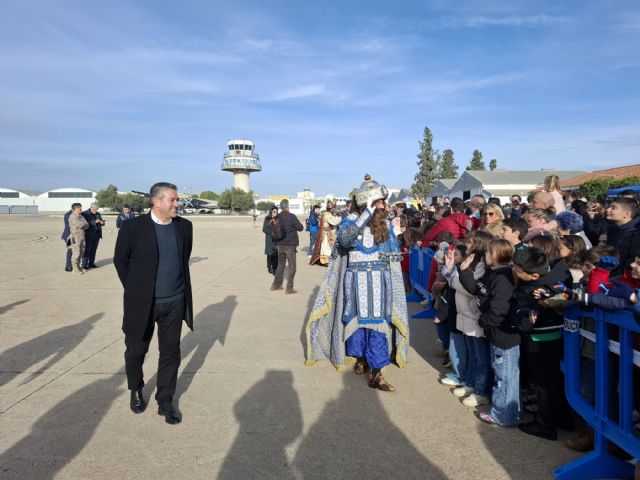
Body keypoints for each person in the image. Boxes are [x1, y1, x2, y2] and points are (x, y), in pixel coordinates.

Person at [304, 175, 410, 390]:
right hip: (354, 284)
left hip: (379, 284)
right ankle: (360, 358)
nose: (384, 206)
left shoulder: (386, 226)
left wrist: (397, 252)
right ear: (368, 204)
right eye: (379, 203)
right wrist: (367, 215)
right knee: (356, 324)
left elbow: (393, 256)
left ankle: (377, 373)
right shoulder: (350, 222)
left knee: (378, 326)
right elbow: (344, 241)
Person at [114, 182, 193, 425]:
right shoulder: (132, 228)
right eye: (172, 200)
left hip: (174, 301)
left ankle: (166, 401)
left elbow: (183, 258)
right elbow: (120, 261)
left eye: (177, 199)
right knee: (136, 350)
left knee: (171, 352)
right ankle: (136, 389)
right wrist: (138, 290)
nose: (177, 204)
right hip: (142, 304)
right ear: (156, 202)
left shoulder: (184, 227)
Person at [457, 239, 519, 427]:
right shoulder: (493, 274)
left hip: (503, 334)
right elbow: (477, 289)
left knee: (505, 378)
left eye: (489, 253)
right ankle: (505, 412)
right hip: (495, 333)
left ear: (498, 255)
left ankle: (504, 415)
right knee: (500, 374)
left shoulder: (503, 278)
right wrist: (465, 271)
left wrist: (484, 322)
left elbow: (499, 308)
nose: (485, 256)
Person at [271, 199, 304, 294]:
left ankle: (275, 285)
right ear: (287, 206)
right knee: (292, 267)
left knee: (280, 265)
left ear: (281, 207)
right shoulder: (292, 216)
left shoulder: (277, 217)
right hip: (290, 245)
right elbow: (300, 228)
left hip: (279, 245)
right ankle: (289, 288)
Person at [309, 200, 342, 266]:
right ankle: (324, 261)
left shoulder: (324, 214)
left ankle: (324, 260)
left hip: (325, 232)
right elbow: (334, 221)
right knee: (326, 247)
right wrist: (340, 218)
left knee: (325, 247)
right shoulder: (327, 215)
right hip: (326, 234)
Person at [81, 202, 105, 269]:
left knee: (94, 250)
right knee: (87, 250)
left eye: (97, 209)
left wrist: (102, 222)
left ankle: (91, 263)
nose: (96, 210)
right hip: (88, 235)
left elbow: (101, 221)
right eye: (95, 209)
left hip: (97, 235)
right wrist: (94, 222)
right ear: (91, 207)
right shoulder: (85, 214)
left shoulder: (98, 214)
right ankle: (84, 265)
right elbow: (84, 224)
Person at [68, 203, 89, 275]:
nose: (81, 210)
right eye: (79, 208)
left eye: (81, 208)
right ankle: (74, 269)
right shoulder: (72, 216)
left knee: (81, 252)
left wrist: (84, 224)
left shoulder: (81, 216)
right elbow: (81, 224)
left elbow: (87, 225)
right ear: (75, 209)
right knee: (76, 253)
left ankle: (78, 266)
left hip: (82, 236)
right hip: (75, 237)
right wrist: (83, 224)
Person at [262, 206, 279, 275]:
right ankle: (269, 267)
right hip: (269, 239)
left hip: (276, 240)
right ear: (271, 212)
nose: (275, 213)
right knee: (269, 254)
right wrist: (271, 232)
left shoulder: (278, 219)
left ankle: (275, 269)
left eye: (276, 212)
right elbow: (264, 229)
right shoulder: (267, 219)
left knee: (276, 255)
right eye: (274, 211)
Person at [61, 206, 73, 272]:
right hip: (68, 236)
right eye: (79, 208)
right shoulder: (68, 215)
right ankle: (68, 266)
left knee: (73, 251)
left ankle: (71, 265)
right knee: (70, 250)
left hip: (72, 236)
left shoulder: (74, 214)